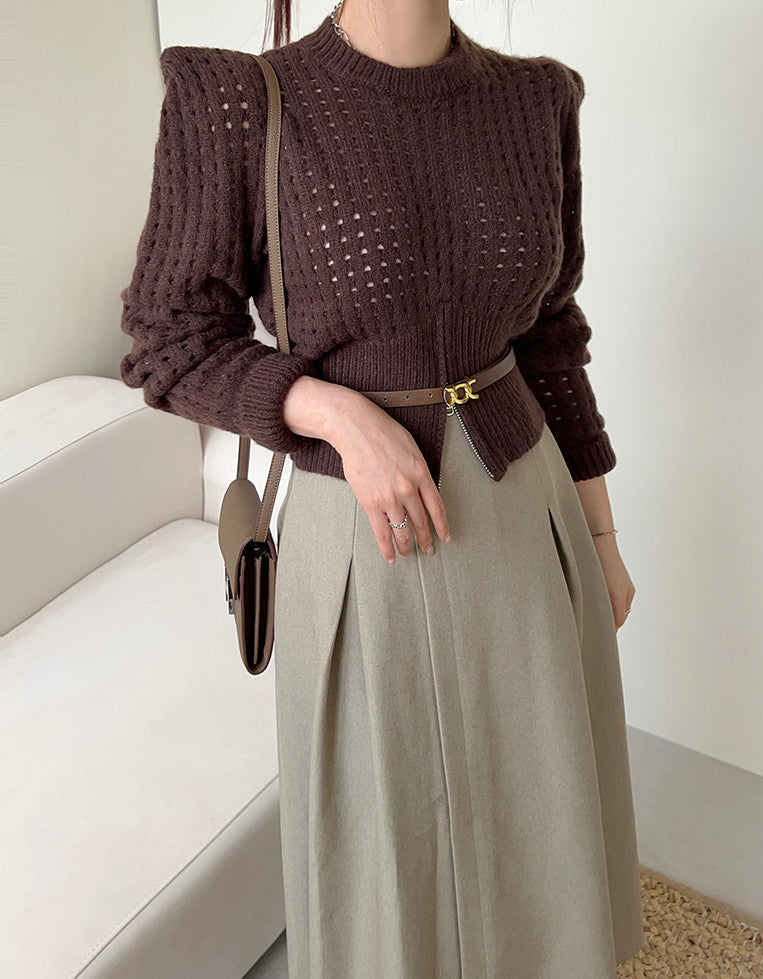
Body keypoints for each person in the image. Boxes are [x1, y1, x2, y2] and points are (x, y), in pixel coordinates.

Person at [118, 0, 646, 974]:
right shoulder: (240, 102)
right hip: (359, 532)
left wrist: (601, 538)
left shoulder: (537, 101)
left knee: (539, 827)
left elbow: (551, 336)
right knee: (383, 866)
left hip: (525, 519)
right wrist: (330, 411)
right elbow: (169, 341)